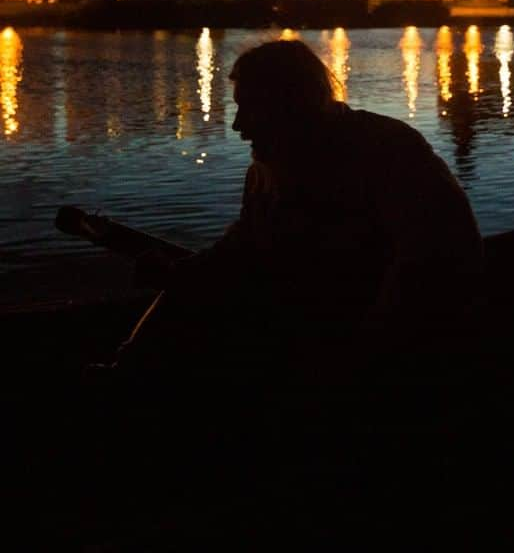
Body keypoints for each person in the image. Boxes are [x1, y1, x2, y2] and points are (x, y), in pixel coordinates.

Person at [115, 38, 483, 380]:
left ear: (291, 105)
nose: (238, 126)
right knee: (184, 294)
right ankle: (122, 371)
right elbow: (244, 245)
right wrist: (183, 273)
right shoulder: (267, 171)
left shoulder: (388, 151)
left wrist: (368, 354)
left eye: (250, 109)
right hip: (305, 329)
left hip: (372, 353)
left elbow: (437, 259)